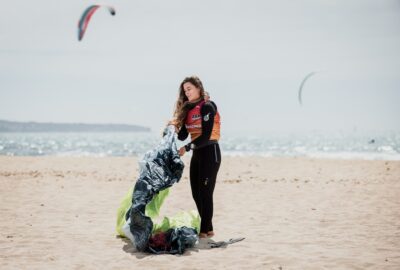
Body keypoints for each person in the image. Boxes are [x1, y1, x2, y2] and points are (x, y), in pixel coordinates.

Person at [169, 76, 221, 238]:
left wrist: (186, 148)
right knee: (196, 192)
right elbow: (184, 135)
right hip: (197, 154)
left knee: (206, 192)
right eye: (185, 91)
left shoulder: (207, 106)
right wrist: (175, 126)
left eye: (189, 89)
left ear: (199, 88)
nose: (187, 93)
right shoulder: (189, 109)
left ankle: (204, 230)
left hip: (210, 152)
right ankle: (208, 228)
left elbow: (205, 136)